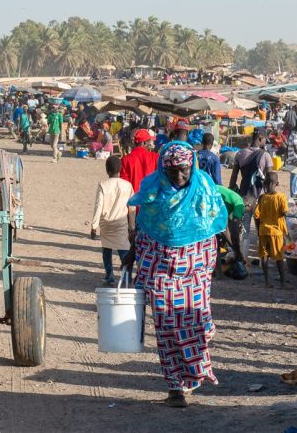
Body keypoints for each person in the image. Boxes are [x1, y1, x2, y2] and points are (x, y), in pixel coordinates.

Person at [121, 142, 227, 407]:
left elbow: (215, 222)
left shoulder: (203, 188)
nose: (179, 177)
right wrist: (132, 253)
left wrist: (235, 252)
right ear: (163, 168)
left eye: (184, 170)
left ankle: (191, 375)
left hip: (195, 271)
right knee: (166, 328)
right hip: (160, 270)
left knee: (196, 325)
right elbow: (144, 224)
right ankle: (175, 388)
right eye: (173, 171)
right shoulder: (153, 188)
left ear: (192, 165)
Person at [91, 156, 135, 286]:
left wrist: (94, 225)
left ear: (107, 170)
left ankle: (109, 276)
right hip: (121, 223)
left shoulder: (103, 185)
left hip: (106, 223)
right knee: (124, 250)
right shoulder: (127, 185)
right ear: (120, 169)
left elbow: (99, 205)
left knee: (106, 249)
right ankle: (127, 278)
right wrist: (132, 226)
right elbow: (131, 207)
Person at [229, 130, 273, 258]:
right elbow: (270, 179)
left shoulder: (240, 153)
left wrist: (235, 195)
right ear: (260, 138)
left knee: (245, 229)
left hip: (244, 197)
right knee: (262, 229)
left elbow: (233, 179)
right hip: (261, 198)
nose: (265, 142)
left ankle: (244, 258)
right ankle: (262, 259)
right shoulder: (265, 155)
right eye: (265, 139)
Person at [254, 172, 289, 288]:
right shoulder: (281, 197)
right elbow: (284, 212)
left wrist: (259, 230)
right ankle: (283, 283)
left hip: (263, 231)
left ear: (264, 183)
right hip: (276, 232)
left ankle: (266, 282)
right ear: (277, 183)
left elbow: (257, 216)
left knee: (264, 256)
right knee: (279, 258)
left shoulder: (262, 198)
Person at [216, 185, 248, 266]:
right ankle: (218, 274)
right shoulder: (240, 205)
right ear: (247, 205)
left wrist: (236, 250)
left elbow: (225, 230)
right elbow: (233, 230)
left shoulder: (229, 203)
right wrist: (238, 252)